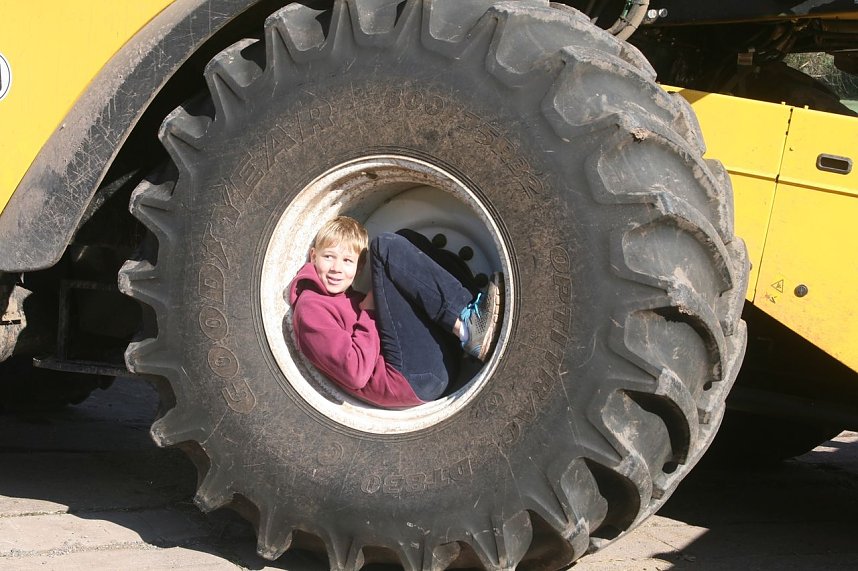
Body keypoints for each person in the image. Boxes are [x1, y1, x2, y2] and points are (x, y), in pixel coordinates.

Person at [288, 216, 503, 408]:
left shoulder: (346, 297)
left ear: (359, 267)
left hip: (440, 361)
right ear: (313, 256)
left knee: (406, 239)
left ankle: (476, 312)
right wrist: (369, 312)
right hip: (411, 380)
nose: (336, 268)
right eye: (328, 257)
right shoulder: (311, 308)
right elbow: (355, 374)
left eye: (347, 261)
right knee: (386, 247)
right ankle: (469, 326)